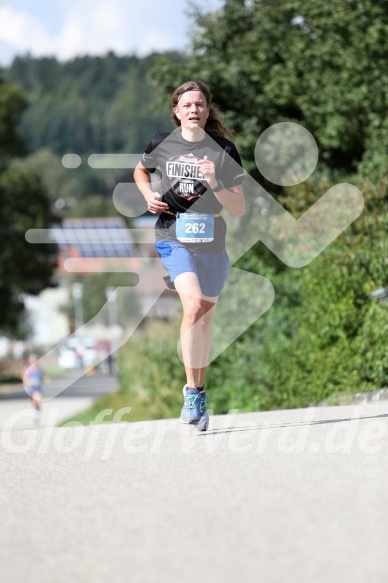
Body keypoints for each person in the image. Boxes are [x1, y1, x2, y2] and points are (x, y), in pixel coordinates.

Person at [134, 80, 245, 431]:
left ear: (207, 110)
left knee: (205, 320)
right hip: (173, 233)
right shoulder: (161, 144)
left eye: (200, 104)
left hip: (212, 239)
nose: (194, 109)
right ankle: (191, 392)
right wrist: (147, 194)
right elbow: (141, 169)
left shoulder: (224, 149)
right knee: (193, 306)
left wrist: (215, 184)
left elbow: (239, 207)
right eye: (187, 104)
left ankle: (197, 391)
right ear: (176, 111)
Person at [22, 354, 44, 422]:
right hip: (31, 388)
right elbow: (24, 377)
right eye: (32, 360)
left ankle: (37, 412)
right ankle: (37, 411)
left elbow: (43, 375)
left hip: (37, 388)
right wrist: (28, 381)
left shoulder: (39, 368)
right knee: (34, 402)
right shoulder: (27, 368)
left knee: (37, 400)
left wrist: (46, 379)